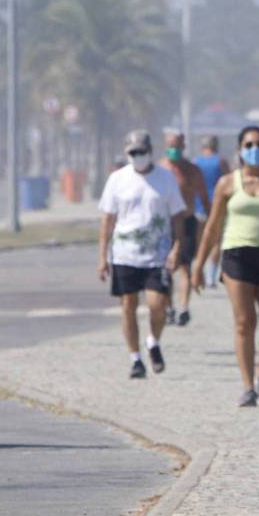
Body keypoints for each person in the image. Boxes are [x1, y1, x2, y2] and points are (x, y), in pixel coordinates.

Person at [191, 125, 259, 407]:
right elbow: (212, 227)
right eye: (249, 144)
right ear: (239, 149)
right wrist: (199, 266)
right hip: (237, 255)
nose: (255, 149)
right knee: (244, 322)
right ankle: (248, 385)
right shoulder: (228, 183)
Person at [97, 131, 186, 378]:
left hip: (157, 255)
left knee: (158, 305)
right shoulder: (117, 179)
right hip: (125, 255)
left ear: (150, 152)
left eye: (142, 152)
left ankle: (153, 342)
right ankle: (135, 358)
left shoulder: (165, 179)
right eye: (133, 153)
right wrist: (102, 257)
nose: (138, 157)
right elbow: (107, 219)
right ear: (127, 154)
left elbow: (178, 216)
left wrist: (177, 248)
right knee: (128, 306)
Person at [159, 132, 210, 327]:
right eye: (170, 145)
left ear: (183, 146)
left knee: (186, 267)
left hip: (187, 221)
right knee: (166, 269)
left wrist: (212, 221)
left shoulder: (192, 171)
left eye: (177, 145)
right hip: (166, 223)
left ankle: (184, 308)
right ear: (165, 146)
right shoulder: (160, 169)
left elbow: (204, 198)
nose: (174, 149)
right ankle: (169, 307)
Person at [194, 135, 230, 288]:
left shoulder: (196, 161)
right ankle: (211, 276)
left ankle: (197, 268)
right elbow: (229, 181)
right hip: (217, 205)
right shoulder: (220, 161)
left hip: (198, 205)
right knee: (216, 240)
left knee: (201, 239)